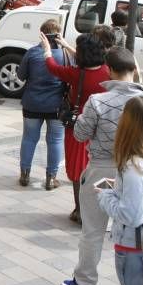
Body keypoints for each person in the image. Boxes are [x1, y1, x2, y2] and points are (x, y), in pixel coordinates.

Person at [57, 48, 143, 285]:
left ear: (109, 69)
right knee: (136, 234)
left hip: (101, 170)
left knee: (92, 232)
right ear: (134, 69)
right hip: (139, 171)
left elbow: (80, 134)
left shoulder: (97, 100)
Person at [42, 33, 110, 223]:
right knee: (101, 169)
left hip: (77, 129)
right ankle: (100, 209)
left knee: (78, 171)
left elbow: (53, 67)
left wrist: (47, 50)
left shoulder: (76, 74)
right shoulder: (107, 72)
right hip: (101, 130)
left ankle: (79, 210)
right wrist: (67, 45)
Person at [97, 96, 143, 285]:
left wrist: (106, 195)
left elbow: (132, 215)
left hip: (134, 249)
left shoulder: (133, 167)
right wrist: (119, 188)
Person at [17, 20, 66, 190]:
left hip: (32, 103)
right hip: (57, 106)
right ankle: (51, 178)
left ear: (42, 34)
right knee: (55, 141)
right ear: (58, 35)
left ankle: (25, 174)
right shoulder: (64, 56)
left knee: (29, 138)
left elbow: (21, 76)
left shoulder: (31, 53)